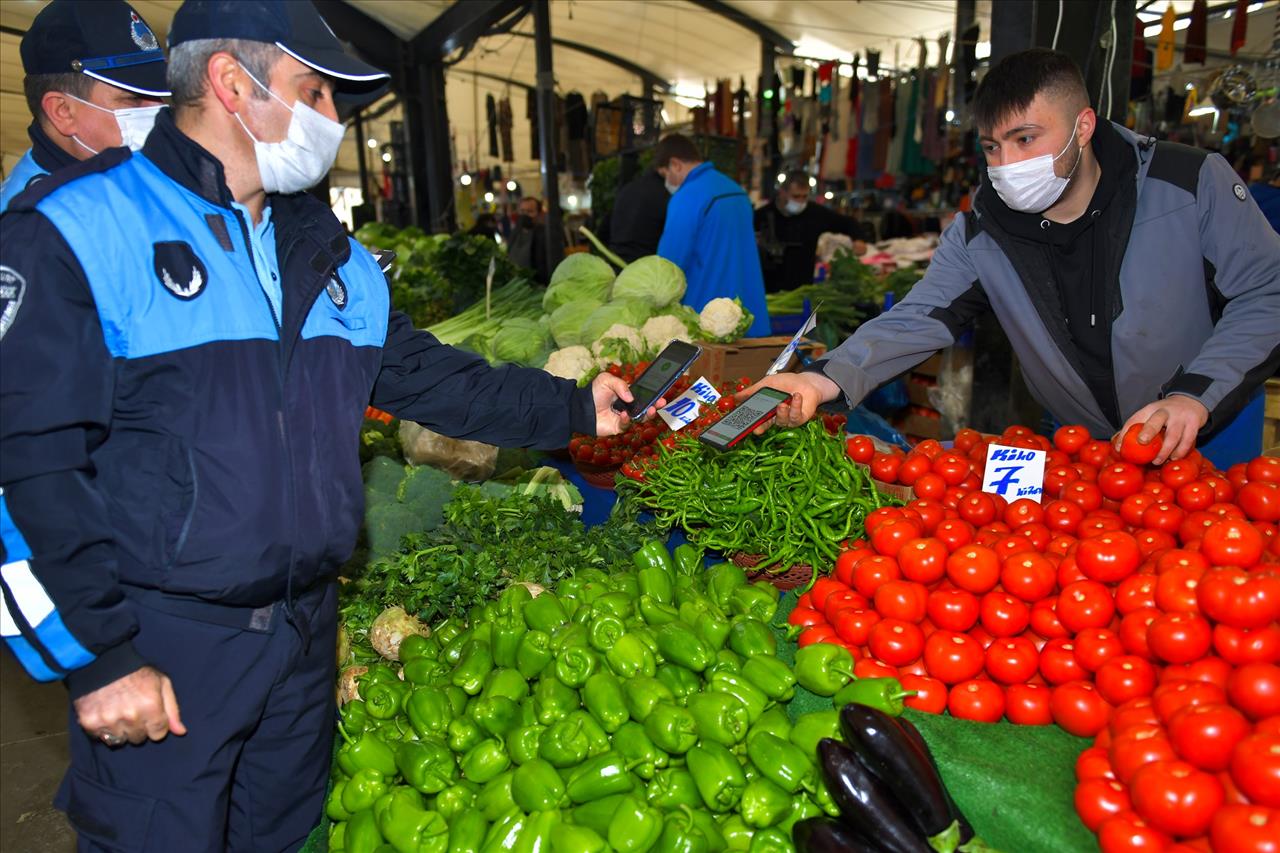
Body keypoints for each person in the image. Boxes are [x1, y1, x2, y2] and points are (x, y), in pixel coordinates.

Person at [0, 1, 648, 848]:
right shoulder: (80, 233)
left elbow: (425, 376)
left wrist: (569, 406)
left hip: (305, 636)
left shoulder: (326, 252)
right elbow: (29, 466)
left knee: (284, 835)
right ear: (232, 84)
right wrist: (98, 656)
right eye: (314, 91)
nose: (330, 121)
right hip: (167, 643)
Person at [744, 48, 1280, 470]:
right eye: (992, 147)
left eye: (1025, 138)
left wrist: (1195, 396)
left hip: (1207, 425)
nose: (1007, 164)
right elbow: (921, 315)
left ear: (1084, 126)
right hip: (1080, 448)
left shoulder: (1187, 181)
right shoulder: (983, 225)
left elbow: (1267, 292)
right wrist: (823, 379)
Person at [0, 0, 169, 212]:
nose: (158, 111)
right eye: (133, 98)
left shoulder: (131, 178)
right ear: (63, 112)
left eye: (161, 96)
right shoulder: (30, 230)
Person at [654, 134, 771, 336]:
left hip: (708, 320)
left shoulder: (686, 197)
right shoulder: (736, 191)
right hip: (748, 315)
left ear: (675, 164)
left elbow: (669, 266)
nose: (667, 182)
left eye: (665, 174)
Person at [755, 171, 869, 292]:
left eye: (805, 196)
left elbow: (847, 222)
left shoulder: (815, 213)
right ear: (782, 192)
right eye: (796, 196)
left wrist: (859, 239)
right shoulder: (762, 215)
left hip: (802, 286)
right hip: (767, 286)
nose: (800, 201)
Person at [608, 166, 669, 262]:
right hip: (644, 266)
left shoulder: (627, 189)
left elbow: (604, 229)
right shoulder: (664, 194)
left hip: (616, 261)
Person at [507, 195, 559, 283]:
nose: (525, 215)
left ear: (539, 213)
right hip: (515, 283)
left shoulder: (545, 234)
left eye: (530, 211)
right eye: (522, 211)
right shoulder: (515, 232)